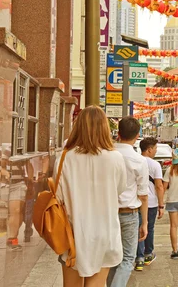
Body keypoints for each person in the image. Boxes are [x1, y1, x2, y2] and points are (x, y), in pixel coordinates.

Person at [56, 106, 127, 287]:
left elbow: (58, 197)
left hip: (73, 234)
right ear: (105, 128)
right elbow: (120, 189)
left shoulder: (64, 157)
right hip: (105, 232)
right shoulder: (115, 158)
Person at [108, 117, 149, 287]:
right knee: (127, 259)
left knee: (110, 258)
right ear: (137, 135)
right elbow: (143, 195)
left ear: (118, 133)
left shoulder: (107, 155)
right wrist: (144, 222)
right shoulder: (139, 160)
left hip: (108, 214)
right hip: (129, 214)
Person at [135, 137, 165, 271]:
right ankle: (148, 254)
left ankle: (139, 258)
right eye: (155, 149)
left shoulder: (135, 161)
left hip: (135, 201)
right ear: (149, 149)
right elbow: (159, 186)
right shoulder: (155, 165)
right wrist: (161, 204)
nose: (156, 151)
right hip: (151, 202)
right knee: (149, 228)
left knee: (138, 228)